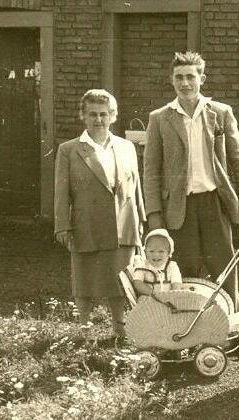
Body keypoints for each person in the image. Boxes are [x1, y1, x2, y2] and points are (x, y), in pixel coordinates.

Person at [143, 51, 239, 311]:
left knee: (224, 268)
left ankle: (234, 333)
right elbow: (150, 170)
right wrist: (154, 213)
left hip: (214, 203)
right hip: (179, 208)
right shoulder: (159, 118)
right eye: (179, 77)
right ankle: (187, 335)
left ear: (202, 78)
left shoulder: (221, 112)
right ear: (171, 80)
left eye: (191, 77)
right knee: (185, 272)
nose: (185, 83)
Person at [54, 89, 145, 340]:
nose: (98, 120)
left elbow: (135, 187)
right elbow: (62, 192)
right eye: (92, 114)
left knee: (120, 279)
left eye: (104, 114)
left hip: (123, 223)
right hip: (87, 224)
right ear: (83, 116)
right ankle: (85, 329)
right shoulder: (69, 150)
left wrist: (140, 221)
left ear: (113, 116)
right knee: (84, 279)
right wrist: (62, 225)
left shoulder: (126, 147)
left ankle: (120, 327)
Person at [130, 228, 183, 296]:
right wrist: (152, 293)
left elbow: (176, 284)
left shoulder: (172, 266)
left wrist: (171, 296)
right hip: (149, 297)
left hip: (168, 298)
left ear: (169, 253)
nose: (156, 255)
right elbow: (137, 283)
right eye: (151, 251)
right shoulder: (142, 265)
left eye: (161, 251)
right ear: (145, 251)